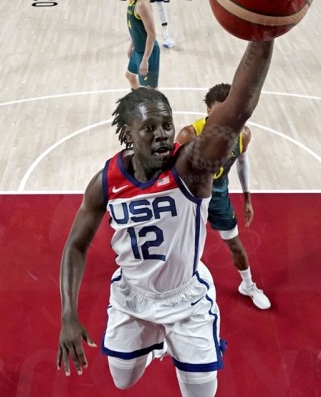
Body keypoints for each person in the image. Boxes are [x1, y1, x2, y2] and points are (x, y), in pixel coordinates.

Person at [57, 40, 275, 396]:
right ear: (129, 134)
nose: (162, 134)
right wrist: (68, 314)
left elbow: (237, 110)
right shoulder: (106, 181)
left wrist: (263, 36)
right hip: (132, 294)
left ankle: (179, 338)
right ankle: (154, 340)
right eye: (149, 128)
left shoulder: (191, 167)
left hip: (183, 299)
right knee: (122, 380)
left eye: (167, 125)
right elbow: (75, 245)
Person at [175, 84, 272, 310]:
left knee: (235, 245)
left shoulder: (242, 134)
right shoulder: (190, 133)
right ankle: (176, 290)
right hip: (190, 199)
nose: (225, 116)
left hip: (218, 197)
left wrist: (247, 198)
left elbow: (241, 163)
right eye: (218, 111)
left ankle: (248, 285)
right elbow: (171, 171)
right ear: (208, 111)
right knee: (182, 248)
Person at [124, 0, 160, 89]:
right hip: (137, 50)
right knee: (130, 76)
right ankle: (138, 103)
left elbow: (152, 34)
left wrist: (145, 60)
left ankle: (156, 107)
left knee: (151, 91)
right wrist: (132, 45)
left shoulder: (141, 5)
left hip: (148, 53)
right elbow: (136, 28)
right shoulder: (131, 1)